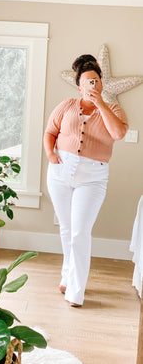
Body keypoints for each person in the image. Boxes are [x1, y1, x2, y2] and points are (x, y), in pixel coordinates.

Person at [44, 54, 128, 307]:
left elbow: (118, 133)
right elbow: (50, 132)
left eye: (96, 80)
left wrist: (100, 103)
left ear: (101, 84)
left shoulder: (113, 109)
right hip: (60, 171)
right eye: (87, 81)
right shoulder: (67, 105)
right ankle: (67, 276)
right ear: (79, 86)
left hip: (93, 177)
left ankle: (75, 292)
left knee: (80, 232)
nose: (93, 85)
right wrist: (51, 154)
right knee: (67, 229)